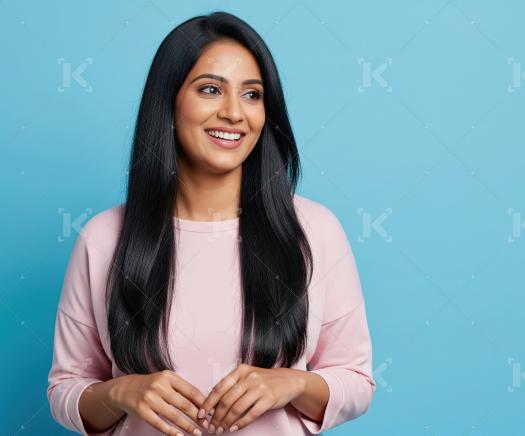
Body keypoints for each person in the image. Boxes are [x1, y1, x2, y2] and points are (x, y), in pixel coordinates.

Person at [46, 11, 375, 436]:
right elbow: (64, 389)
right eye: (210, 89)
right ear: (169, 102)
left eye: (252, 95)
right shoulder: (103, 238)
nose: (235, 113)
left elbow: (357, 380)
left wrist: (292, 383)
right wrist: (119, 393)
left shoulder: (315, 230)